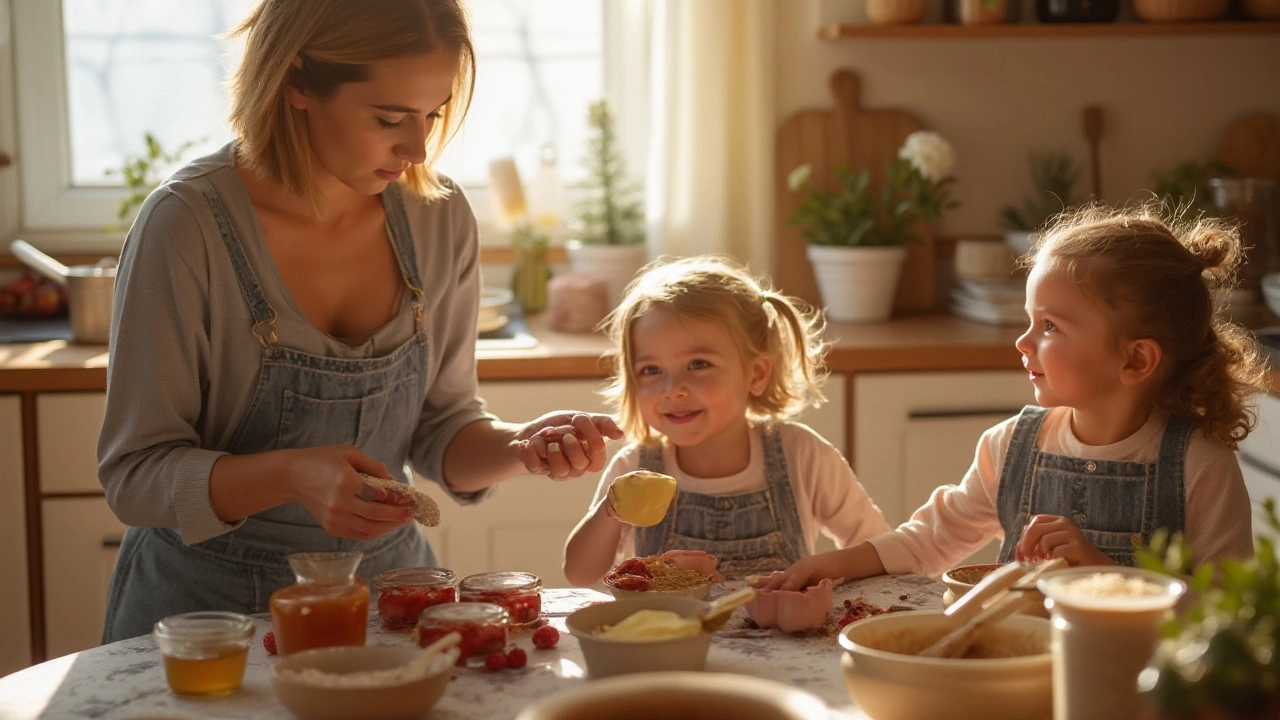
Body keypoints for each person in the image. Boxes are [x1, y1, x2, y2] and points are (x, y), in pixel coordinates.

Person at [98, 0, 620, 643]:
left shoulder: (439, 216)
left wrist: (520, 450)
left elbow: (442, 430)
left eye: (433, 113)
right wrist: (290, 474)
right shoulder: (186, 226)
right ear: (296, 82)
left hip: (389, 608)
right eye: (389, 117)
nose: (418, 145)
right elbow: (135, 477)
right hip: (203, 621)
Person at [755, 204, 1270, 593]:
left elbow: (1222, 613)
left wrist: (1102, 575)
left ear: (1136, 360)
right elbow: (929, 540)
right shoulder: (1011, 445)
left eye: (1050, 326)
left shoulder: (1201, 466)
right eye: (1029, 321)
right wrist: (834, 564)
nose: (1023, 343)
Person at [561, 256, 890, 585]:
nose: (673, 389)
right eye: (651, 370)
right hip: (665, 636)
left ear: (756, 373)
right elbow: (579, 574)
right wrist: (610, 511)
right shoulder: (634, 465)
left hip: (783, 637)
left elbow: (877, 550)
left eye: (698, 364)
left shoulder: (802, 455)